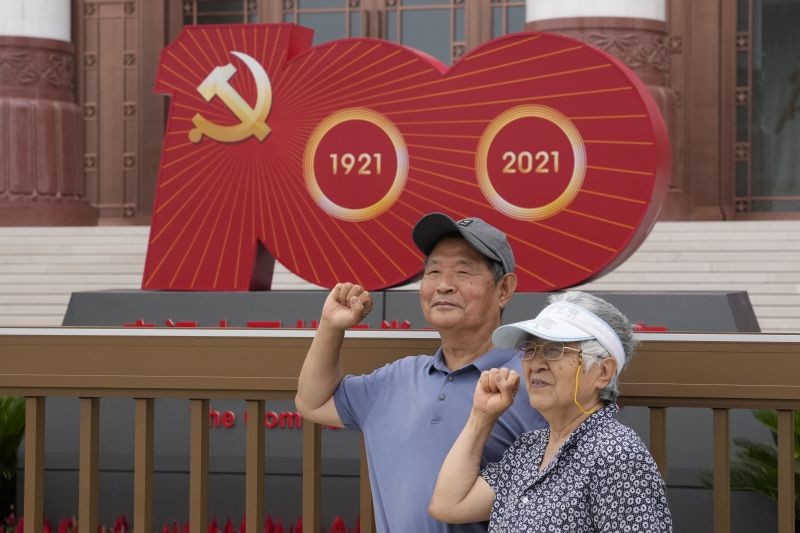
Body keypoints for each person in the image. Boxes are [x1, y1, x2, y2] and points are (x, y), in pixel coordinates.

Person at [295, 212, 546, 532]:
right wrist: (331, 325)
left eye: (463, 271)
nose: (443, 285)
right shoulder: (397, 379)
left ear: (504, 289)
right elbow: (312, 402)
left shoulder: (534, 382)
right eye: (433, 271)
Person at [429, 291, 672, 532]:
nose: (536, 364)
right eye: (529, 349)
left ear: (603, 372)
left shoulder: (616, 454)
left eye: (555, 350)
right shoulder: (529, 448)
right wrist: (481, 416)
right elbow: (449, 505)